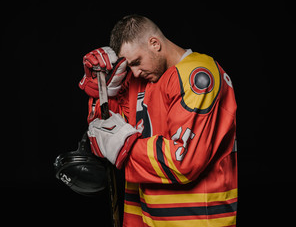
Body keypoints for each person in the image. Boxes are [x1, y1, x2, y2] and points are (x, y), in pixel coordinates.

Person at [79, 14, 237, 227]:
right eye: (129, 66)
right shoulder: (143, 79)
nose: (134, 72)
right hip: (147, 215)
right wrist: (100, 88)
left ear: (154, 43)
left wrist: (125, 146)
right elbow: (102, 130)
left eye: (136, 62)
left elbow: (185, 161)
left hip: (195, 219)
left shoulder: (198, 74)